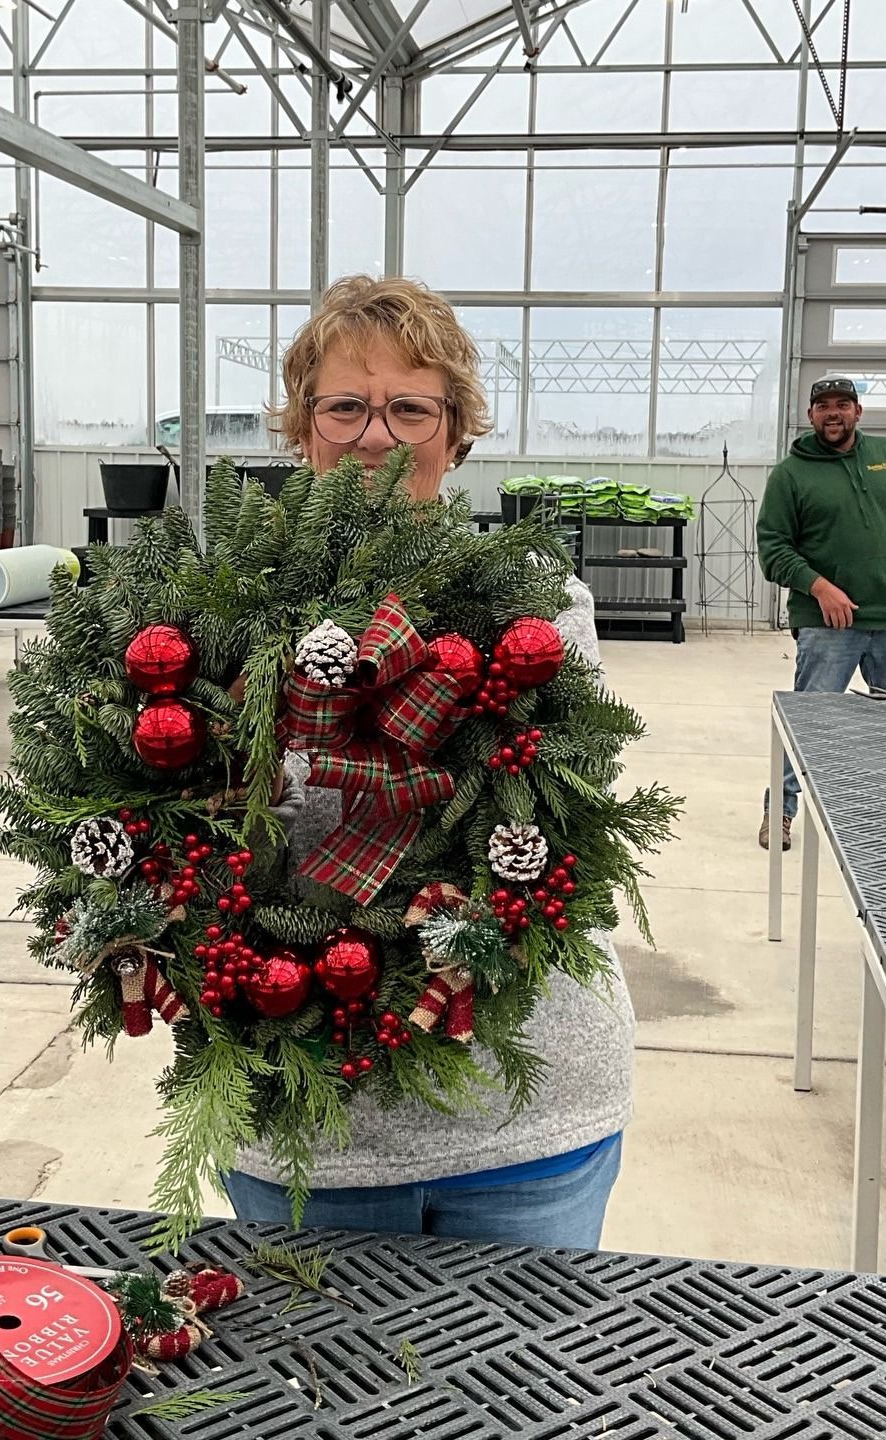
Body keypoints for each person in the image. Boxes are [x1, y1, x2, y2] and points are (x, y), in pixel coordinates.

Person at [222, 274, 633, 1249]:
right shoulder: (225, 615)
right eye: (346, 406)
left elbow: (575, 802)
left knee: (529, 1397)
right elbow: (190, 834)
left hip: (522, 1122)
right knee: (313, 1396)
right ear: (300, 426)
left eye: (411, 407)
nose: (376, 435)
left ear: (455, 432)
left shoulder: (536, 607)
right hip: (305, 1124)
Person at [756, 374, 886, 851]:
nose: (833, 413)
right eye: (823, 405)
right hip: (827, 627)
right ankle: (778, 812)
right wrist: (820, 588)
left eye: (843, 404)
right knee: (809, 723)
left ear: (858, 412)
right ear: (810, 416)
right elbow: (773, 548)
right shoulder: (790, 474)